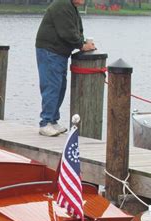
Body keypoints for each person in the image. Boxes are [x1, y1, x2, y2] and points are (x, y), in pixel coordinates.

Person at [35, 0, 96, 137]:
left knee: (60, 86)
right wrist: (81, 45)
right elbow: (67, 32)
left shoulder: (71, 6)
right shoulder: (63, 5)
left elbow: (76, 30)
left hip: (59, 53)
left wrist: (83, 42)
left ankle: (53, 120)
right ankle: (45, 123)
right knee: (52, 86)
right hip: (50, 51)